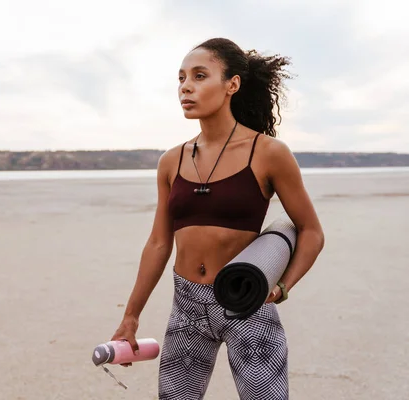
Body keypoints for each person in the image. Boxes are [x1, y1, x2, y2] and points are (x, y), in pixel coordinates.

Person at [110, 38, 325, 399]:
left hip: (247, 302)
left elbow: (311, 231)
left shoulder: (269, 153)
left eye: (199, 76)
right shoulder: (171, 161)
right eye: (181, 79)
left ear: (232, 85)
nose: (186, 87)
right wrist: (131, 316)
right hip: (187, 306)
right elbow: (159, 243)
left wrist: (283, 286)